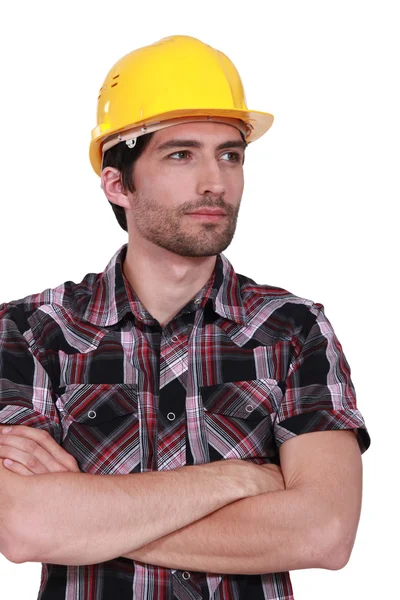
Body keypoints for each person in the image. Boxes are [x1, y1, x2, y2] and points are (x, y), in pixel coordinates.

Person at [0, 34, 371, 600]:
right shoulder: (30, 333)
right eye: (181, 154)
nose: (215, 182)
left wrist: (88, 516)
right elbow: (24, 527)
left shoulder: (295, 330)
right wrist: (241, 479)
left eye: (230, 154)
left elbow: (324, 532)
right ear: (117, 182)